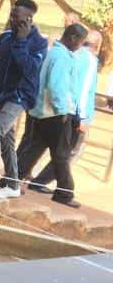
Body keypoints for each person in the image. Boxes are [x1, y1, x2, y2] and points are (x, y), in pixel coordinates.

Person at [0, 0, 48, 199]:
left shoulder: (39, 43)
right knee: (6, 140)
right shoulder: (5, 37)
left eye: (17, 16)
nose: (12, 19)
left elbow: (29, 69)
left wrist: (22, 41)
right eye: (12, 14)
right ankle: (13, 185)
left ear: (29, 18)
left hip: (19, 96)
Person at [17, 23, 89, 208]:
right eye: (81, 42)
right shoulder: (61, 57)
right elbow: (57, 86)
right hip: (55, 113)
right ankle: (64, 194)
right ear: (73, 38)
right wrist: (62, 110)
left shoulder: (54, 53)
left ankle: (10, 180)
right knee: (61, 155)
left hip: (43, 112)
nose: (80, 46)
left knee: (35, 149)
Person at [30, 28, 101, 194]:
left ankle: (17, 177)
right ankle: (58, 190)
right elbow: (83, 90)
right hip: (68, 112)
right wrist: (83, 117)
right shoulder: (85, 59)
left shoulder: (68, 54)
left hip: (52, 110)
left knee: (40, 147)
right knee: (65, 153)